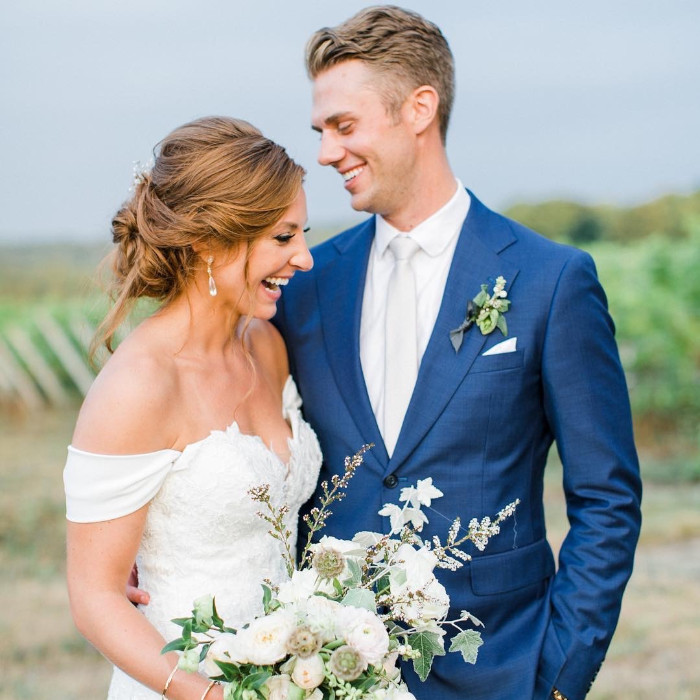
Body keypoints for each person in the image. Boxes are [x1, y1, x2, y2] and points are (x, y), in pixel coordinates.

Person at [273, 6, 642, 700]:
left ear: (419, 109)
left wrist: (558, 679)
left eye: (343, 127)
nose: (324, 153)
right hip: (328, 673)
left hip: (500, 669)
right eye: (320, 131)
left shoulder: (550, 280)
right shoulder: (307, 285)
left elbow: (606, 498)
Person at [64, 116, 321, 700]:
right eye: (283, 238)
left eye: (302, 234)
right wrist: (211, 694)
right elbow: (95, 598)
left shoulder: (266, 345)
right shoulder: (140, 385)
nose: (304, 258)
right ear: (210, 241)